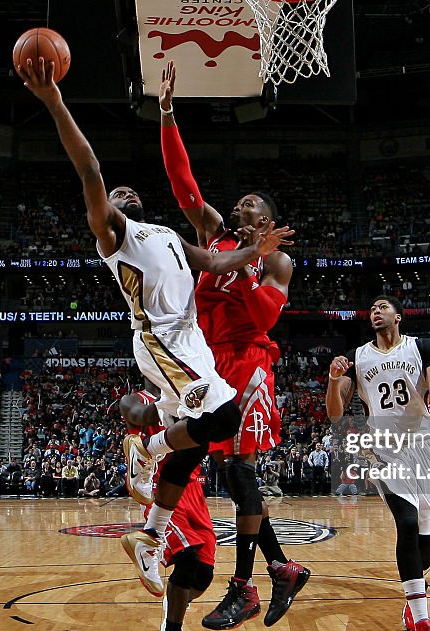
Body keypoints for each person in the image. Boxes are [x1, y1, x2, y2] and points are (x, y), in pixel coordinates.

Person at [17, 56, 292, 597]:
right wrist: (57, 102)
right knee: (220, 422)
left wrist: (254, 257)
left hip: (196, 345)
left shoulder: (167, 234)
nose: (122, 195)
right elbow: (95, 171)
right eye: (114, 197)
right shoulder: (115, 233)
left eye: (126, 193)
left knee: (195, 449)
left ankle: (150, 536)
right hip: (164, 340)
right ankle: (148, 452)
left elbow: (213, 265)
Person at [149, 61, 310, 630]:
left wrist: (248, 264)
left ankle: (246, 585)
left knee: (243, 473)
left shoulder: (277, 260)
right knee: (233, 477)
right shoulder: (214, 233)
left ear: (267, 220)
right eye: (237, 203)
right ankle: (282, 569)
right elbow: (182, 183)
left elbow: (264, 314)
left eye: (249, 205)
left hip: (250, 361)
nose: (238, 206)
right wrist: (167, 113)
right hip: (209, 363)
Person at [325, 296, 430, 631]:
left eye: (383, 307)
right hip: (385, 451)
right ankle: (424, 626)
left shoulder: (421, 346)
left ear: (398, 316)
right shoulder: (358, 356)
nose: (375, 312)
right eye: (372, 309)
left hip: (424, 447)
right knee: (408, 524)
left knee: (424, 543)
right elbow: (335, 414)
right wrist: (334, 380)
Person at [122, 388, 214, 631]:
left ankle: (171, 616)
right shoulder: (137, 400)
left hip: (195, 489)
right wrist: (174, 403)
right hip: (164, 488)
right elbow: (135, 413)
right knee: (186, 560)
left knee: (203, 575)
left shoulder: (198, 390)